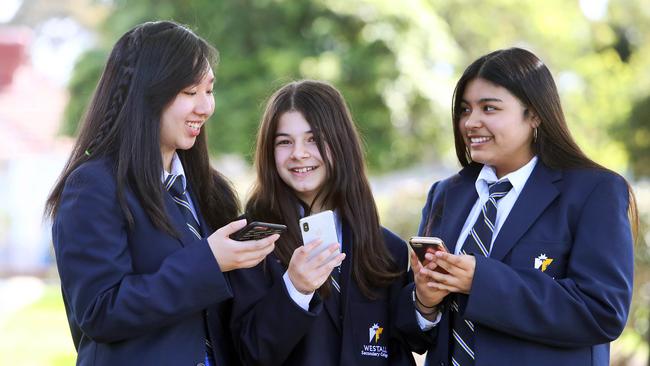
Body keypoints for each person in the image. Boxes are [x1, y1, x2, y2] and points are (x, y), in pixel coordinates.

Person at [44, 20, 277, 365]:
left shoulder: (209, 190)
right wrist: (208, 262)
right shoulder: (92, 187)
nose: (205, 107)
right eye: (189, 92)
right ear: (147, 94)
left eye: (209, 90)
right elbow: (99, 312)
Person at [405, 47, 637, 366]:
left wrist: (480, 280)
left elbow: (602, 312)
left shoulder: (594, 191)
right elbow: (413, 333)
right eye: (464, 110)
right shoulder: (446, 194)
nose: (471, 122)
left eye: (489, 108)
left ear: (535, 114)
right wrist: (424, 304)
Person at [227, 80, 430, 365]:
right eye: (284, 142)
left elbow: (405, 345)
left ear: (340, 143)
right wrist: (294, 289)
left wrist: (426, 301)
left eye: (313, 139)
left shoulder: (387, 249)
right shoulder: (247, 242)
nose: (299, 153)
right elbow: (247, 352)